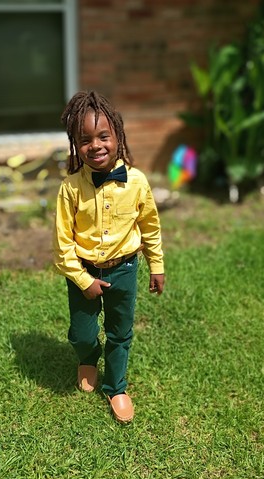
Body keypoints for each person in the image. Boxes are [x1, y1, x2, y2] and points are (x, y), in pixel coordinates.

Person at [53, 90, 165, 423]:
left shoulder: (137, 182)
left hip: (124, 269)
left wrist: (156, 266)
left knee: (120, 332)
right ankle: (88, 358)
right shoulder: (70, 188)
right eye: (85, 140)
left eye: (104, 136)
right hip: (84, 271)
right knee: (82, 333)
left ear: (118, 136)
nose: (96, 145)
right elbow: (62, 244)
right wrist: (83, 280)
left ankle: (116, 388)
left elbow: (150, 226)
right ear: (75, 145)